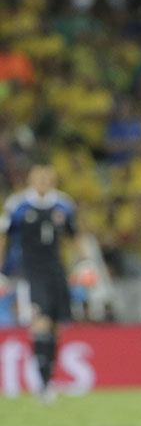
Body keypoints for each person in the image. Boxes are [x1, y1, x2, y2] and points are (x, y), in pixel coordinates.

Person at [0, 164, 80, 402]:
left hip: (57, 270)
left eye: (48, 177)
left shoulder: (64, 204)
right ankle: (42, 386)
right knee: (41, 322)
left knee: (55, 326)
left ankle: (48, 381)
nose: (43, 181)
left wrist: (83, 263)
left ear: (54, 180)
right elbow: (4, 237)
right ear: (30, 179)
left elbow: (73, 236)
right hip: (29, 271)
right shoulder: (18, 205)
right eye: (39, 177)